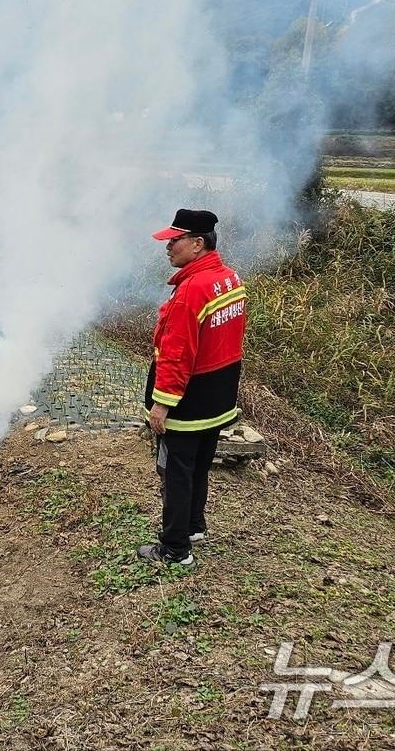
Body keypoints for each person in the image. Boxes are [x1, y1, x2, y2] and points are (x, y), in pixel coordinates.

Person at [138, 208, 247, 567]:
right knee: (199, 465)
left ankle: (174, 549)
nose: (167, 247)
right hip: (218, 395)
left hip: (188, 401)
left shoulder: (191, 291)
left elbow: (177, 354)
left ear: (197, 244)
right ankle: (194, 526)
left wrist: (161, 404)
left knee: (175, 471)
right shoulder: (229, 279)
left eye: (174, 240)